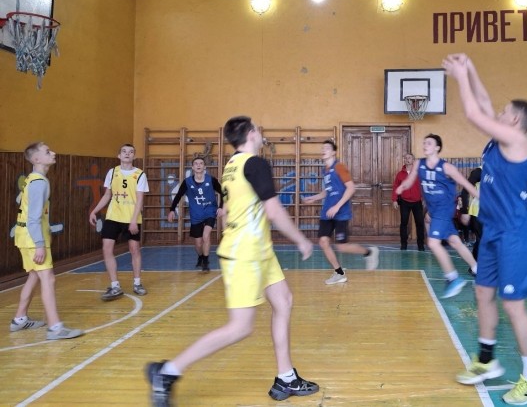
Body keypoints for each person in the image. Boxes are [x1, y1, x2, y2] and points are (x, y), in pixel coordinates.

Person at [145, 116, 318, 405]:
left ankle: (286, 377)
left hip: (259, 250)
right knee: (240, 327)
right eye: (257, 128)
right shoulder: (255, 164)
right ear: (251, 134)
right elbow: (273, 211)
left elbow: (230, 207)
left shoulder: (231, 166)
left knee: (283, 301)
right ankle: (166, 372)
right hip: (245, 254)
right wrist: (301, 239)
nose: (260, 132)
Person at [442, 53, 527, 405]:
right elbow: (484, 103)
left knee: (513, 306)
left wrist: (459, 75)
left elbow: (475, 113)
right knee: (483, 293)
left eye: (504, 111)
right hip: (492, 232)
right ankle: (486, 361)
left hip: (515, 235)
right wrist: (471, 67)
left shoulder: (518, 142)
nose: (497, 113)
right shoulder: (498, 141)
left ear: (515, 119)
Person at [11, 142, 83, 341]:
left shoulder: (34, 179)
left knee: (34, 276)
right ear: (36, 159)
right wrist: (40, 244)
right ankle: (55, 328)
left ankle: (19, 319)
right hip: (32, 238)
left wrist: (46, 230)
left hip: (26, 235)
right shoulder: (39, 183)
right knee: (48, 279)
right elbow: (33, 218)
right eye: (47, 151)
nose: (53, 153)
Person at [396, 134, 479, 299]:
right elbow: (410, 180)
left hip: (444, 208)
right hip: (434, 209)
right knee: (455, 241)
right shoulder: (419, 164)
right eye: (424, 143)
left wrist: (485, 200)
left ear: (437, 148)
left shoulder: (446, 167)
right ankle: (478, 269)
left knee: (433, 243)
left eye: (429, 143)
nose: (425, 145)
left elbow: (466, 184)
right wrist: (402, 187)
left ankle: (453, 278)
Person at [303, 140, 379, 284]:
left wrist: (337, 206)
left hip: (340, 212)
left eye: (326, 148)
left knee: (341, 246)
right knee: (323, 242)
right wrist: (314, 197)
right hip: (327, 212)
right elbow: (328, 190)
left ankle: (369, 252)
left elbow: (351, 188)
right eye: (322, 148)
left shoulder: (339, 167)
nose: (323, 150)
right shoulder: (325, 170)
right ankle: (339, 273)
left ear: (333, 152)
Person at [89, 143, 149, 301]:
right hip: (113, 216)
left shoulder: (140, 174)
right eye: (124, 151)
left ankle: (137, 283)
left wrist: (134, 220)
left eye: (131, 152)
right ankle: (115, 285)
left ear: (134, 156)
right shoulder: (112, 172)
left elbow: (140, 199)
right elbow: (107, 195)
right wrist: (94, 211)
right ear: (119, 155)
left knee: (134, 249)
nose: (127, 154)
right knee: (107, 248)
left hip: (131, 217)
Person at [168, 156, 225, 272]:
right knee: (198, 243)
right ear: (193, 167)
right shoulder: (187, 182)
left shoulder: (211, 180)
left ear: (204, 167)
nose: (198, 165)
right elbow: (178, 196)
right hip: (196, 214)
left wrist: (221, 207)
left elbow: (223, 193)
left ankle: (206, 261)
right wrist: (172, 210)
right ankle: (200, 256)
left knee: (206, 236)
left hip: (210, 211)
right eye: (196, 163)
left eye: (201, 163)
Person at [391, 153, 425, 251]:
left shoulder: (418, 173)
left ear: (413, 160)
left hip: (417, 202)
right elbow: (395, 187)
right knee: (404, 223)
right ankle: (403, 244)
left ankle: (421, 245)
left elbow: (424, 186)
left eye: (409, 158)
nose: (407, 159)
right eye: (405, 158)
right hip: (404, 202)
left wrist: (424, 199)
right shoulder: (400, 174)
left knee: (420, 223)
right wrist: (394, 200)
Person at [458, 168, 482, 260]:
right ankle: (475, 264)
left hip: (494, 213)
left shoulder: (500, 171)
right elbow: (465, 191)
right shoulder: (479, 171)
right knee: (481, 239)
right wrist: (465, 211)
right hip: (478, 212)